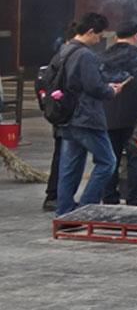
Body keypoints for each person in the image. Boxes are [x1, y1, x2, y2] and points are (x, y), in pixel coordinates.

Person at [54, 13, 128, 217]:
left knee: (70, 167)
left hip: (67, 116)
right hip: (86, 117)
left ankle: (64, 212)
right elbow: (93, 86)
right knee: (107, 162)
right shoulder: (85, 54)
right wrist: (110, 91)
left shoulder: (64, 50)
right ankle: (86, 208)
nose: (99, 40)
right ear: (89, 32)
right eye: (98, 36)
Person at [101, 21, 137, 205]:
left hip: (107, 114)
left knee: (110, 158)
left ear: (116, 37)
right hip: (135, 115)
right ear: (136, 36)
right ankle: (135, 198)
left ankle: (108, 196)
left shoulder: (103, 56)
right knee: (136, 158)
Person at [43, 19, 78, 211]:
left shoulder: (59, 56)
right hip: (65, 114)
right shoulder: (69, 56)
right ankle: (57, 196)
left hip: (58, 113)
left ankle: (54, 195)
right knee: (65, 157)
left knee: (61, 155)